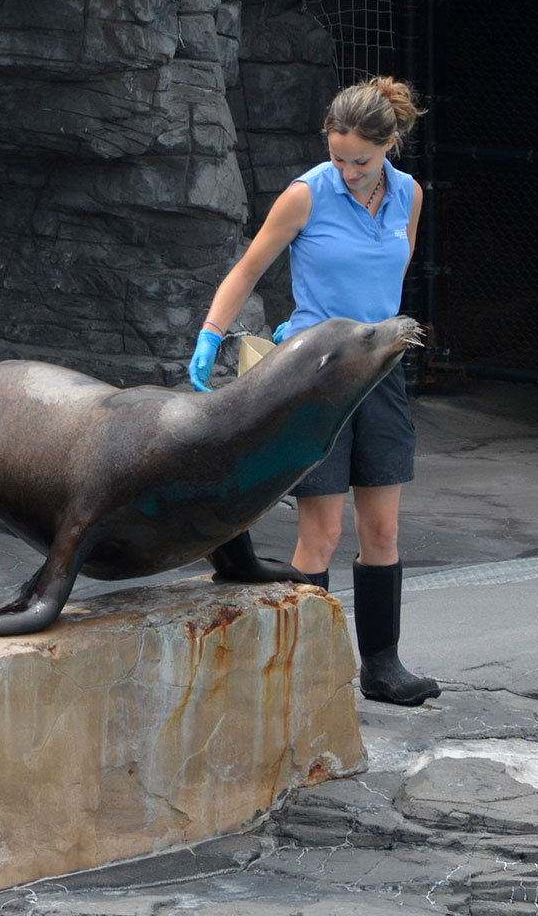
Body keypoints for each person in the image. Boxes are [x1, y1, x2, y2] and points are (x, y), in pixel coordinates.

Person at [187, 76, 439, 707]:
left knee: (382, 529)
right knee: (321, 533)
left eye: (362, 161)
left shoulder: (409, 195)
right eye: (338, 157)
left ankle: (382, 667)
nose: (349, 172)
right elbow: (249, 268)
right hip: (317, 375)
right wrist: (212, 334)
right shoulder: (307, 194)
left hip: (380, 368)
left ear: (389, 145)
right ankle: (301, 678)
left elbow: (392, 275)